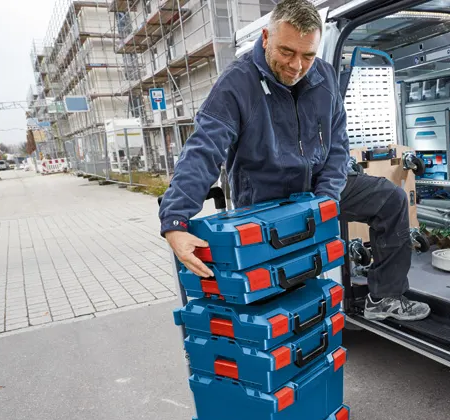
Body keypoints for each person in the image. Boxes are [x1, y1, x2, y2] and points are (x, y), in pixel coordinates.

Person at [158, 0, 430, 322]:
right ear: (265, 38)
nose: (297, 66)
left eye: (307, 55)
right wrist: (175, 220)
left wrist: (327, 196)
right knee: (289, 284)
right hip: (266, 198)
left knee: (392, 199)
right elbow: (204, 148)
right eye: (286, 52)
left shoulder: (325, 77)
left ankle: (383, 297)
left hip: (317, 187)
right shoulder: (237, 83)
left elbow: (338, 144)